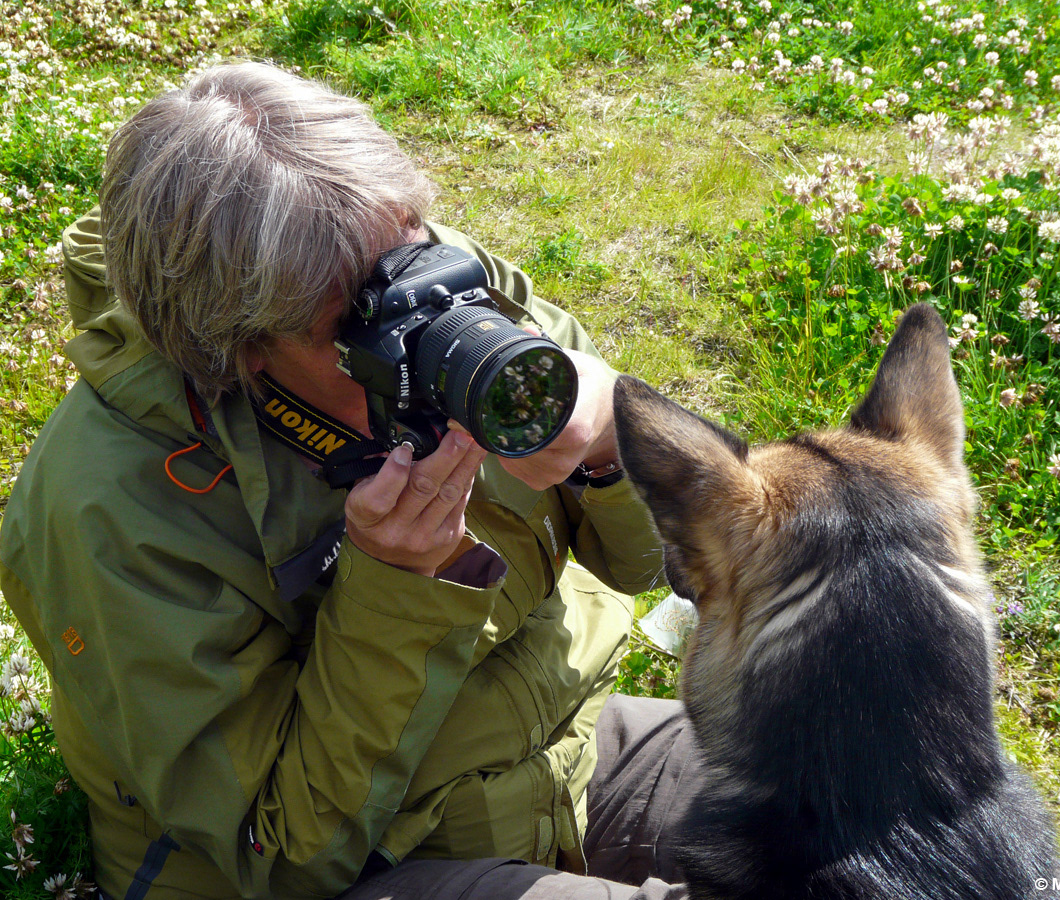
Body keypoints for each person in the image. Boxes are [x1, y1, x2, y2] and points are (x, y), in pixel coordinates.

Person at [0, 60, 699, 900]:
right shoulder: (112, 504)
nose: (421, 316)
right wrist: (397, 588)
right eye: (356, 318)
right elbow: (285, 855)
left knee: (863, 766)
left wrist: (613, 447)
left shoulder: (448, 289)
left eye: (408, 250)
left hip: (556, 749)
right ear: (235, 347)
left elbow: (649, 565)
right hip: (358, 864)